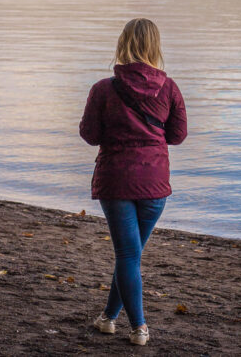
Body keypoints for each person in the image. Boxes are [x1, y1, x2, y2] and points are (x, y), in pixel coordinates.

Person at [79, 18, 188, 346]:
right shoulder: (168, 88)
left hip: (116, 181)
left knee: (128, 255)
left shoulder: (103, 89)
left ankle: (139, 328)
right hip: (154, 183)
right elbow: (178, 135)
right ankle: (108, 319)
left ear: (122, 44)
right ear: (155, 47)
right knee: (131, 255)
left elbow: (89, 134)